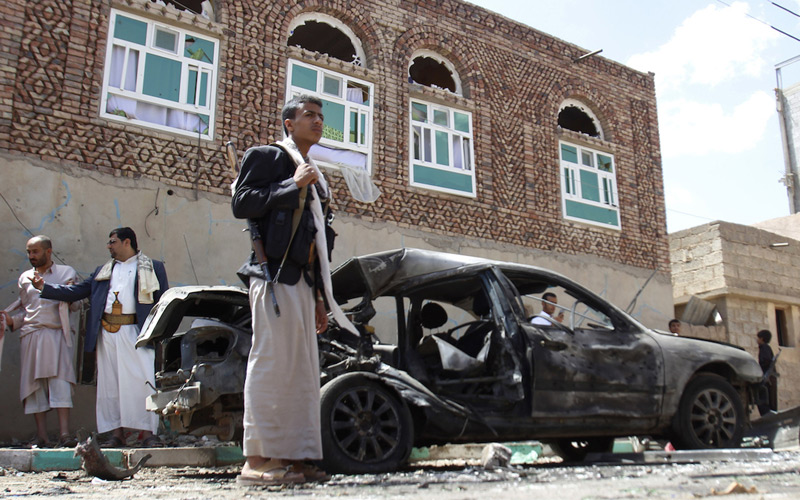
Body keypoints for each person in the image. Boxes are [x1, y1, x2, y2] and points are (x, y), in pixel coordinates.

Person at [232, 94, 350, 486]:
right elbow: (242, 202)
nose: (317, 122)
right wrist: (291, 185)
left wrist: (318, 297)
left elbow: (315, 239)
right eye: (308, 115)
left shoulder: (317, 175)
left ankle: (294, 457)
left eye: (320, 116)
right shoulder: (268, 156)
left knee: (301, 372)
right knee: (271, 365)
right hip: (272, 277)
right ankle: (257, 460)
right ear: (289, 123)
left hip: (302, 281)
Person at [33, 227, 168, 448]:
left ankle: (147, 433)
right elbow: (77, 291)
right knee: (110, 384)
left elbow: (162, 302)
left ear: (127, 242)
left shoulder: (153, 267)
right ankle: (117, 433)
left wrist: (159, 334)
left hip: (137, 333)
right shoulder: (103, 271)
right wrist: (44, 288)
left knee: (141, 382)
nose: (108, 246)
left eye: (112, 242)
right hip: (107, 334)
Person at [0, 236, 79, 448]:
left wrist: (61, 290)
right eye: (29, 252)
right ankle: (42, 436)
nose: (31, 256)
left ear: (48, 251)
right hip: (31, 335)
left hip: (57, 334)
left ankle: (65, 434)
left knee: (60, 382)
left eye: (35, 251)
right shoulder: (25, 277)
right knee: (33, 387)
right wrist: (10, 321)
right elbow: (27, 312)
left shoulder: (66, 273)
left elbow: (75, 304)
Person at [756, 329, 777, 416]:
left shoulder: (764, 348)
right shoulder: (766, 348)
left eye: (758, 338)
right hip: (769, 377)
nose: (757, 340)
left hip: (767, 378)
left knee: (766, 399)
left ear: (762, 338)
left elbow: (766, 361)